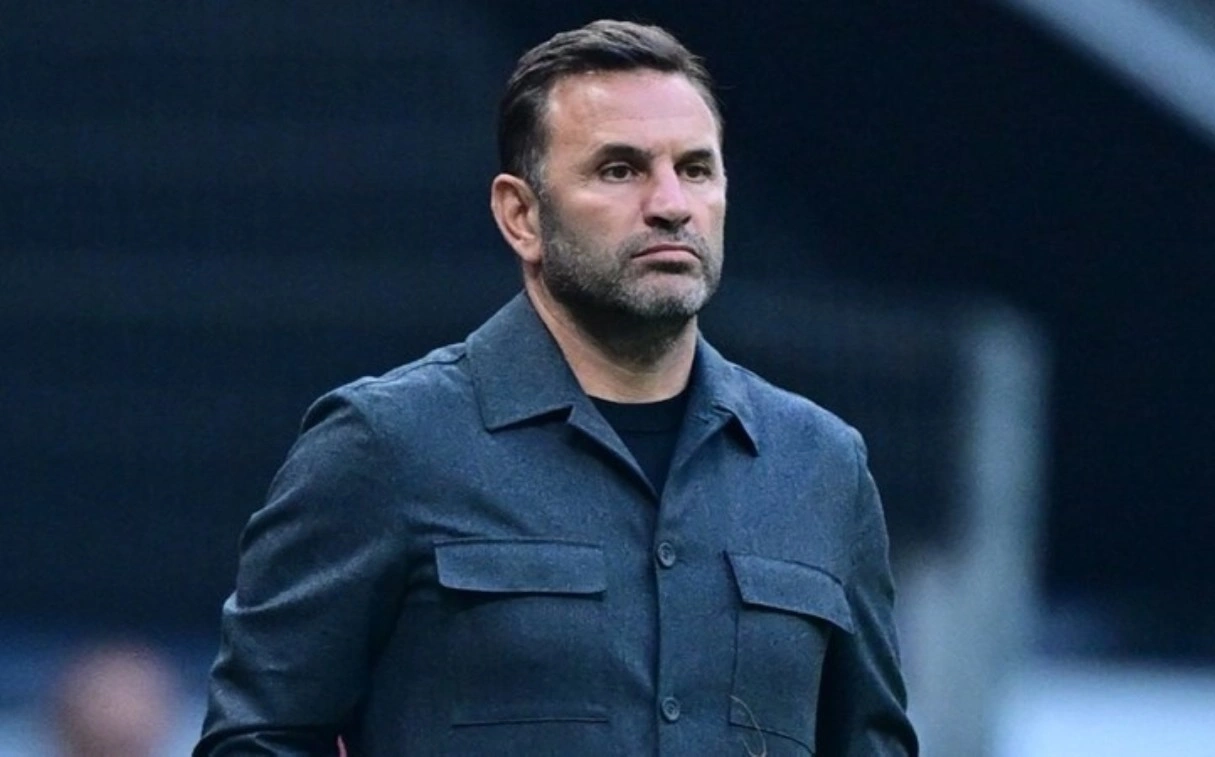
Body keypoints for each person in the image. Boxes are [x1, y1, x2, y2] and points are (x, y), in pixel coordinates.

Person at [196, 19, 917, 756]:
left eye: (696, 169)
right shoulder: (384, 446)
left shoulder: (821, 466)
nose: (672, 203)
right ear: (522, 215)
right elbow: (256, 741)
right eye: (620, 170)